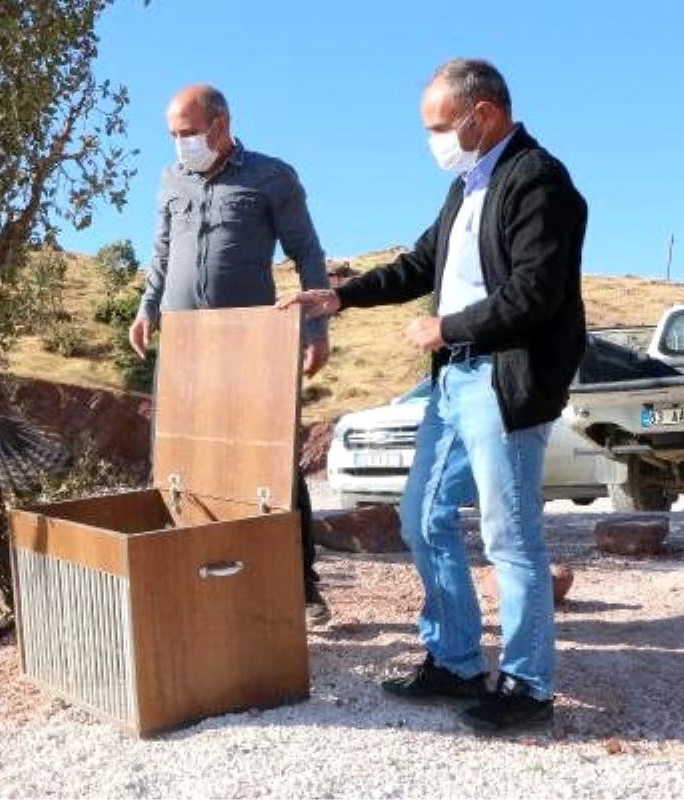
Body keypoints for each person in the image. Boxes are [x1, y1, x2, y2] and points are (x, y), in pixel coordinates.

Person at [278, 58, 587, 732]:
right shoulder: (467, 186)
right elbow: (422, 264)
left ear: (484, 113)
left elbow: (537, 293)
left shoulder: (539, 182)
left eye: (441, 126)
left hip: (503, 382)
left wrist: (446, 327)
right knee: (421, 517)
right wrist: (343, 295)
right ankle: (453, 661)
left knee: (511, 538)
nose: (434, 141)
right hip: (451, 384)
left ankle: (528, 688)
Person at [129, 83, 332, 623]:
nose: (181, 144)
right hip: (184, 345)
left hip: (249, 344)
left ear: (221, 124)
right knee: (182, 460)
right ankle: (193, 578)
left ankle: (301, 582)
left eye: (189, 132)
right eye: (174, 134)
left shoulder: (271, 176)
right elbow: (162, 252)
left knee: (267, 461)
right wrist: (147, 308)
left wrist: (315, 329)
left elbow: (307, 252)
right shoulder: (171, 179)